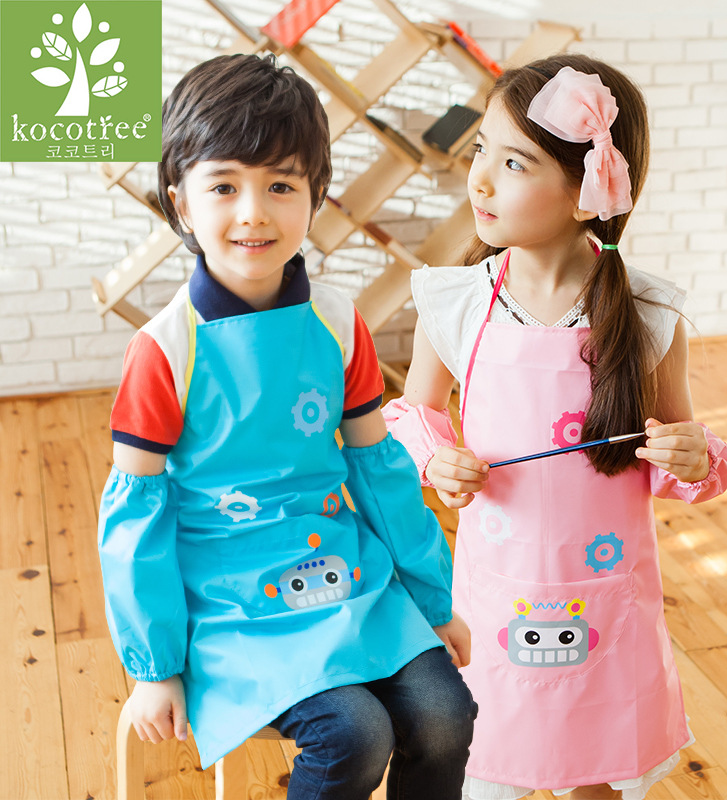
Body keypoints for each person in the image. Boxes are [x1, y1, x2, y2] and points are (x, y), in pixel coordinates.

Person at [97, 53, 476, 800]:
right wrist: (154, 667)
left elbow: (381, 470)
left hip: (348, 575)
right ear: (180, 201)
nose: (253, 212)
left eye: (280, 185)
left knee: (445, 716)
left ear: (315, 196)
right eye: (223, 186)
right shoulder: (164, 349)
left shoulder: (338, 323)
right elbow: (134, 520)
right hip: (227, 604)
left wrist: (433, 599)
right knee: (354, 734)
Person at [383, 54, 727, 800]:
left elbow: (684, 455)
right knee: (491, 764)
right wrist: (438, 459)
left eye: (514, 163)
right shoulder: (456, 302)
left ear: (587, 193)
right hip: (494, 590)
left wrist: (690, 455)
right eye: (481, 150)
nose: (481, 180)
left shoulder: (650, 315)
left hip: (609, 590)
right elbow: (414, 414)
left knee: (595, 773)